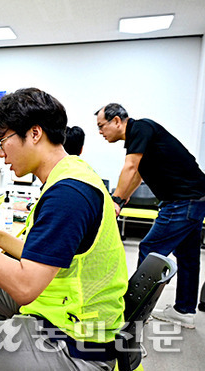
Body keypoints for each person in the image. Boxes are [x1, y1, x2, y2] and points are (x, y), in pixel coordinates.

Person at [0, 88, 128, 370]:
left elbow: (24, 287)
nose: (1, 153)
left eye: (3, 141)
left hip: (75, 342)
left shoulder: (67, 194)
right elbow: (43, 254)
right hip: (73, 314)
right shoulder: (71, 173)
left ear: (34, 133)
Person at [96, 103, 205, 328]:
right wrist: (122, 200)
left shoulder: (140, 128)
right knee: (188, 257)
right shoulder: (141, 137)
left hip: (182, 201)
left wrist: (114, 200)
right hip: (194, 199)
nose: (100, 132)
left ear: (117, 121)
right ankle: (183, 311)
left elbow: (130, 168)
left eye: (101, 126)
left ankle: (132, 317)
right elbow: (136, 175)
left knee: (150, 251)